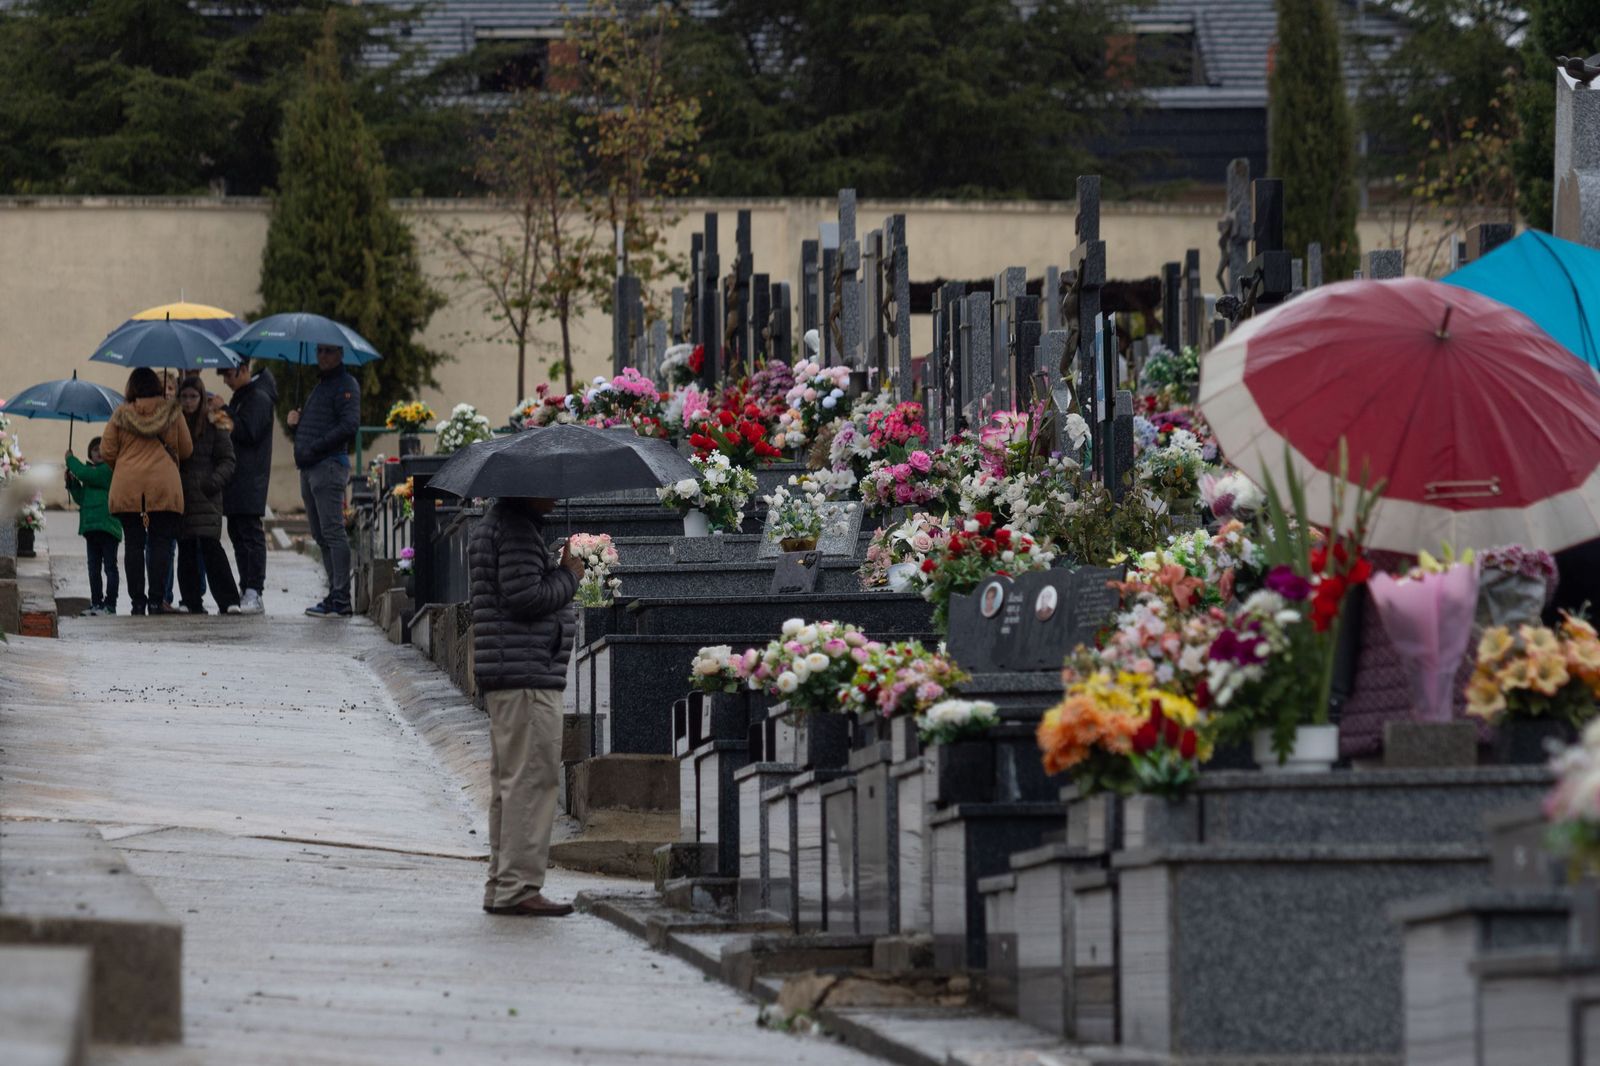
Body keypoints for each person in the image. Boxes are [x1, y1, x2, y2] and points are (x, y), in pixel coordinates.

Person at [470, 496, 583, 917]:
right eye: (547, 487)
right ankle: (518, 887)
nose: (555, 495)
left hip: (513, 672)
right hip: (528, 675)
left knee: (512, 783)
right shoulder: (515, 527)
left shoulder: (501, 523)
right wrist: (568, 576)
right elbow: (525, 595)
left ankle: (504, 884)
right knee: (531, 783)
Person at [100, 367, 192, 616]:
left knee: (133, 544)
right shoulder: (172, 412)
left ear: (132, 387)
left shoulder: (120, 414)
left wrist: (125, 466)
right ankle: (156, 600)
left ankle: (137, 603)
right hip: (164, 486)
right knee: (161, 543)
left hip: (128, 488)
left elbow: (106, 450)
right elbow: (186, 449)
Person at [288, 344, 359, 617]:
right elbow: (320, 423)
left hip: (327, 466)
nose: (322, 356)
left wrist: (315, 447)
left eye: (328, 351)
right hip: (310, 467)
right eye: (319, 351)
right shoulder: (321, 386)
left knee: (332, 531)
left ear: (340, 353)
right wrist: (297, 423)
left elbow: (348, 425)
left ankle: (341, 598)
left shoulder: (345, 384)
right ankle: (334, 593)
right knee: (320, 534)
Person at [175, 377, 242, 615]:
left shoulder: (214, 424)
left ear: (201, 397)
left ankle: (229, 600)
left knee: (211, 548)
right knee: (186, 549)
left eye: (193, 396)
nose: (188, 402)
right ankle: (191, 600)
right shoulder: (174, 424)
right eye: (184, 397)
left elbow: (227, 460)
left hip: (206, 496)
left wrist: (213, 483)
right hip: (182, 495)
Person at [217, 362, 277, 615]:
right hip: (237, 478)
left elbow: (247, 431)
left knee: (250, 535)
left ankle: (254, 591)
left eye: (229, 375)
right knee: (238, 533)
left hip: (250, 478)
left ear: (242, 369)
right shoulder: (243, 395)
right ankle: (246, 587)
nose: (226, 381)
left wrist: (222, 410)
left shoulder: (259, 397)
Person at [65, 436, 121, 615]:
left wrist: (70, 459)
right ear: (90, 453)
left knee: (110, 567)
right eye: (95, 449)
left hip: (107, 526)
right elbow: (81, 498)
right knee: (93, 568)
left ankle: (110, 604)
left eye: (102, 449)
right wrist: (72, 483)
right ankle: (96, 602)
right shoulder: (91, 473)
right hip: (91, 528)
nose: (99, 452)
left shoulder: (107, 470)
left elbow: (85, 474)